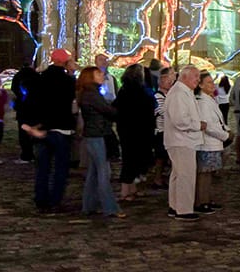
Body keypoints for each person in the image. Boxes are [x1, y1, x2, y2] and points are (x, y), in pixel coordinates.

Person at [28, 49, 77, 213]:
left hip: (43, 127)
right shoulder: (67, 80)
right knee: (61, 168)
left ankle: (41, 199)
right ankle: (55, 199)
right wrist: (71, 72)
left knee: (43, 167)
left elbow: (34, 101)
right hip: (61, 127)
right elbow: (71, 101)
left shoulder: (41, 78)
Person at [76, 66, 124, 218]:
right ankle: (110, 207)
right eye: (98, 73)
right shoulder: (92, 94)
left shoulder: (90, 93)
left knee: (94, 172)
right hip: (96, 134)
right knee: (103, 172)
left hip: (93, 134)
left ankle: (88, 205)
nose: (102, 75)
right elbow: (108, 111)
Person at [164, 66, 204, 220]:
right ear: (185, 77)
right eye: (195, 76)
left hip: (181, 140)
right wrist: (197, 125)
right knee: (185, 176)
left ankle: (175, 206)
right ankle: (184, 209)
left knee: (178, 175)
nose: (197, 80)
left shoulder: (182, 92)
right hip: (181, 140)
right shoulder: (179, 93)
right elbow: (180, 121)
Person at [115, 64, 156, 203]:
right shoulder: (139, 91)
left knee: (131, 159)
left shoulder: (124, 90)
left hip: (126, 129)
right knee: (131, 160)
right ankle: (125, 191)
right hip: (138, 130)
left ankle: (131, 188)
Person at [196, 68, 230, 213]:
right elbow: (207, 125)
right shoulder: (203, 102)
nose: (213, 85)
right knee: (204, 174)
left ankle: (206, 199)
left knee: (208, 174)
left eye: (212, 82)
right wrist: (225, 135)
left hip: (214, 142)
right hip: (207, 143)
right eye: (209, 83)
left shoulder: (209, 99)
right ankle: (201, 201)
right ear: (201, 85)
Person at [151, 67, 175, 187]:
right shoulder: (158, 96)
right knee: (160, 156)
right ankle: (157, 178)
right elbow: (161, 111)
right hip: (161, 130)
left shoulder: (170, 95)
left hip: (170, 130)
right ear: (160, 82)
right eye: (167, 81)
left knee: (166, 156)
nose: (169, 83)